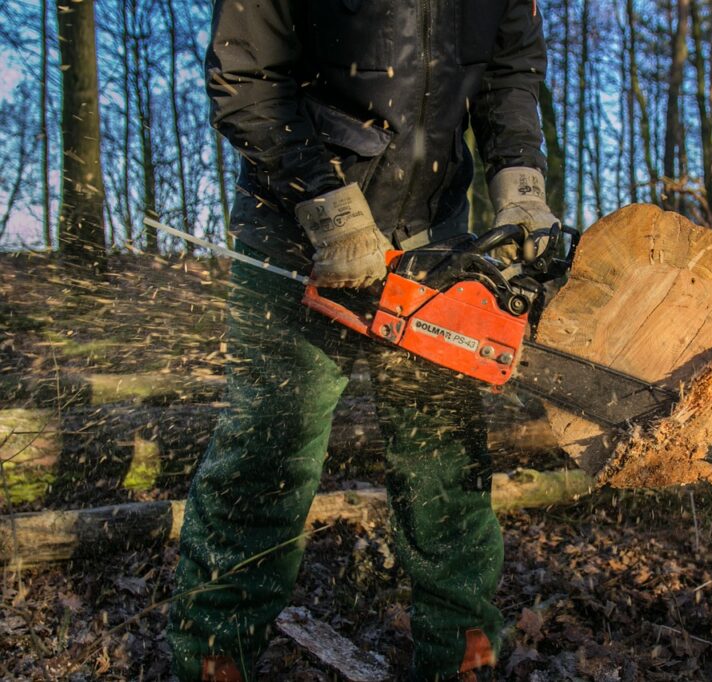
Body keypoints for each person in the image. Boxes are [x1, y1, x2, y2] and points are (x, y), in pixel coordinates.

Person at [166, 1, 558, 680]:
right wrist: (324, 199)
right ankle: (214, 655)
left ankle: (462, 651)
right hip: (294, 228)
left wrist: (520, 184)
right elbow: (246, 73)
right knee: (267, 453)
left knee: (446, 468)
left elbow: (509, 70)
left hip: (435, 235)